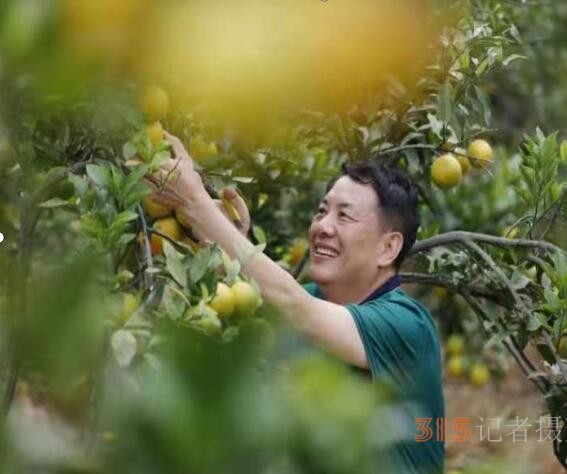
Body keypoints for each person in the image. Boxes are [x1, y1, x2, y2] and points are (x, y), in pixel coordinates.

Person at [150, 133, 445, 474]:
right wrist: (224, 241)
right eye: (322, 211)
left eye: (344, 216)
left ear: (387, 248)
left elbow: (293, 305)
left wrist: (195, 203)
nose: (322, 226)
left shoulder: (408, 325)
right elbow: (256, 300)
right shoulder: (314, 302)